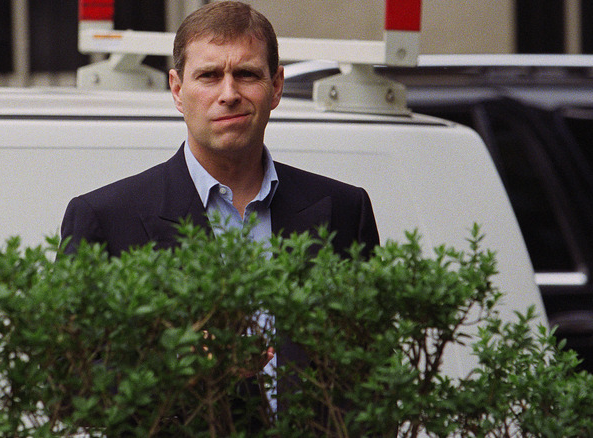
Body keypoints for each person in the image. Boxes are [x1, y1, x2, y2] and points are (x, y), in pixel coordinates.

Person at [60, 0, 380, 427]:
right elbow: (68, 383)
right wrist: (176, 367)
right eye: (209, 75)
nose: (228, 93)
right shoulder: (104, 218)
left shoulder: (343, 211)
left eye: (246, 74)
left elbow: (376, 372)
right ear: (177, 89)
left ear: (277, 86)